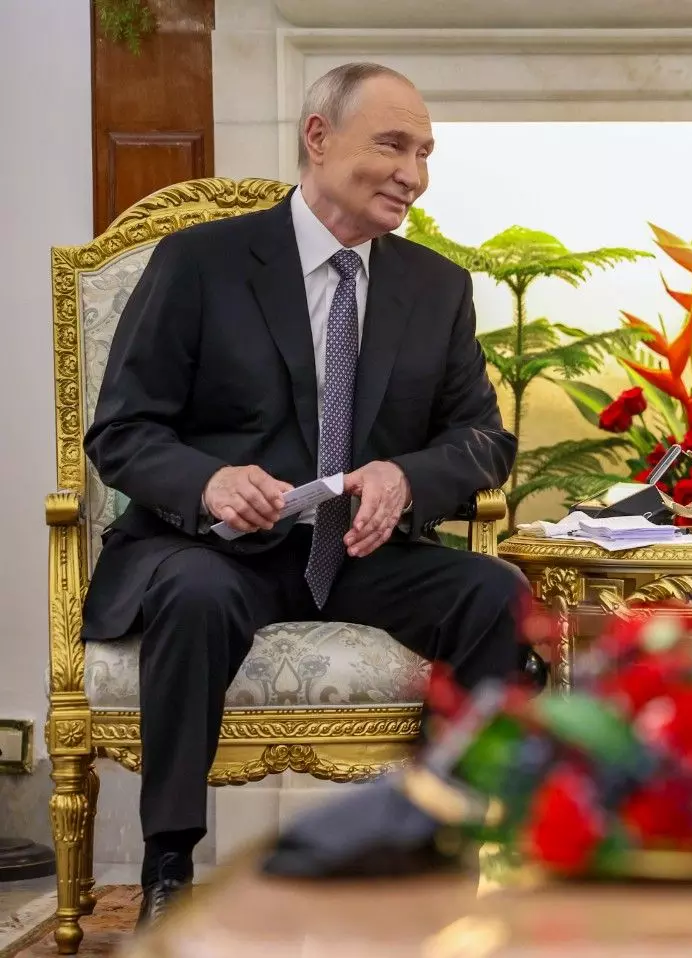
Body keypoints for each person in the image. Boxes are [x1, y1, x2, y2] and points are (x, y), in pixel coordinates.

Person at [82, 62, 539, 928]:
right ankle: (168, 867)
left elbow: (484, 441)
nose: (413, 173)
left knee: (496, 595)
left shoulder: (435, 287)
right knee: (194, 593)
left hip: (361, 552)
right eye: (393, 145)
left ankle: (437, 854)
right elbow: (122, 432)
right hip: (216, 550)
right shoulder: (201, 263)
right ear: (318, 138)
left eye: (425, 153)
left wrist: (406, 476)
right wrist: (210, 481)